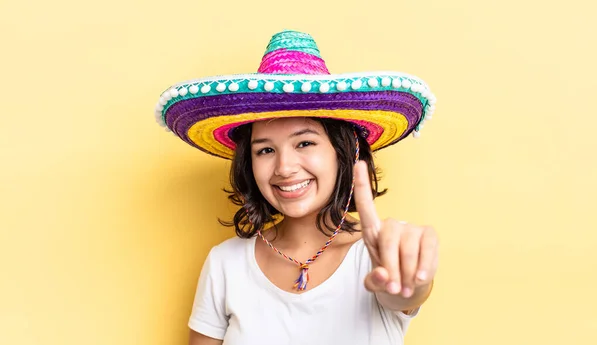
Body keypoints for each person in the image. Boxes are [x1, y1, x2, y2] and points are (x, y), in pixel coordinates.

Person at [154, 30, 439, 345]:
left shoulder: (377, 256)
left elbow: (402, 296)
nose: (284, 168)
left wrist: (407, 285)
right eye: (265, 150)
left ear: (343, 151)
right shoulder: (226, 263)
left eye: (305, 142)